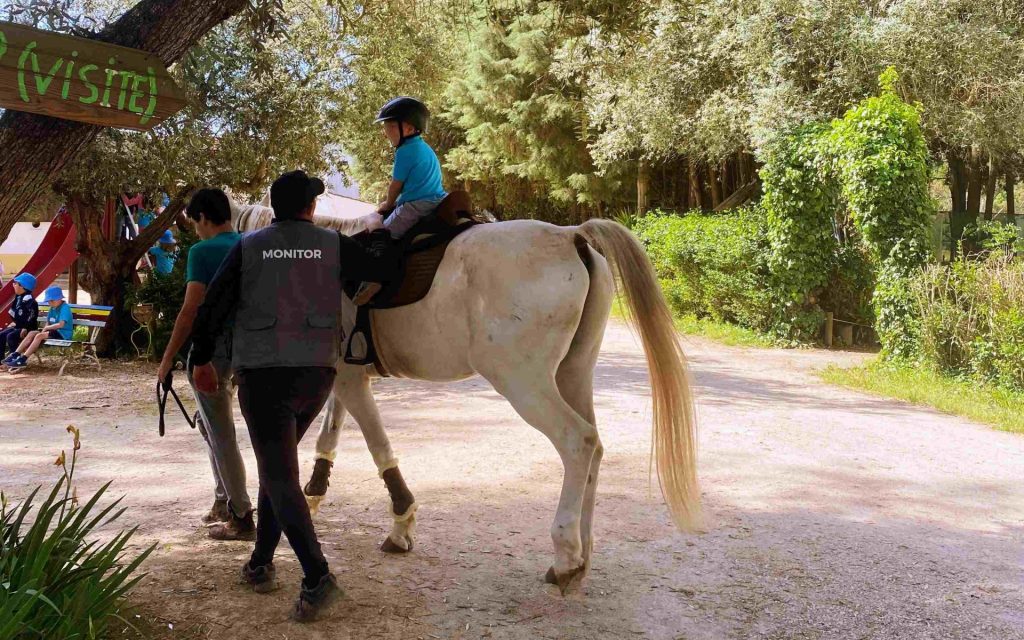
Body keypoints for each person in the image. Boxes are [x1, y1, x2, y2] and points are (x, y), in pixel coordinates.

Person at [189, 170, 396, 622]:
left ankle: (318, 577)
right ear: (311, 208)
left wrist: (201, 357)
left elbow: (213, 306)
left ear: (275, 206)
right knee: (276, 466)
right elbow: (382, 269)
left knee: (279, 474)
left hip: (264, 376)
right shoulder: (332, 243)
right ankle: (261, 563)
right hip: (316, 375)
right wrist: (377, 235)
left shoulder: (250, 246)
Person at [156, 188, 254, 541]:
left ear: (201, 218)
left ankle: (241, 514)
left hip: (211, 352)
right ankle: (223, 499)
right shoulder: (250, 243)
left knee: (220, 431)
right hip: (249, 347)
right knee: (212, 427)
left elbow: (191, 310)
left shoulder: (202, 251)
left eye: (193, 222)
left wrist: (167, 359)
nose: (194, 230)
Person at [353, 96, 447, 305]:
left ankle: (373, 281)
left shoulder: (405, 151)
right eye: (386, 126)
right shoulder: (424, 148)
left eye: (392, 126)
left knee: (382, 234)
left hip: (417, 205)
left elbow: (396, 185)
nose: (387, 131)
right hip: (436, 198)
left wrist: (387, 204)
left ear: (410, 128)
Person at [5, 286, 72, 370]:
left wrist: (47, 328)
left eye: (52, 301)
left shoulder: (65, 308)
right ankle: (15, 354)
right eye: (48, 301)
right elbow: (49, 321)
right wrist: (45, 328)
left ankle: (23, 359)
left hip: (63, 333)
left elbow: (61, 325)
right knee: (32, 333)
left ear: (59, 299)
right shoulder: (53, 308)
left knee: (39, 336)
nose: (50, 303)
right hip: (53, 331)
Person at [0, 273, 38, 362]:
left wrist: (25, 327)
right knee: (1, 335)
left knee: (11, 336)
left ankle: (15, 359)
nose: (13, 285)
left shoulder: (30, 301)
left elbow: (32, 317)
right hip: (18, 326)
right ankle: (1, 361)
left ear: (23, 286)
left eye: (15, 283)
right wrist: (14, 321)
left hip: (29, 329)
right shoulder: (18, 298)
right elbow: (13, 312)